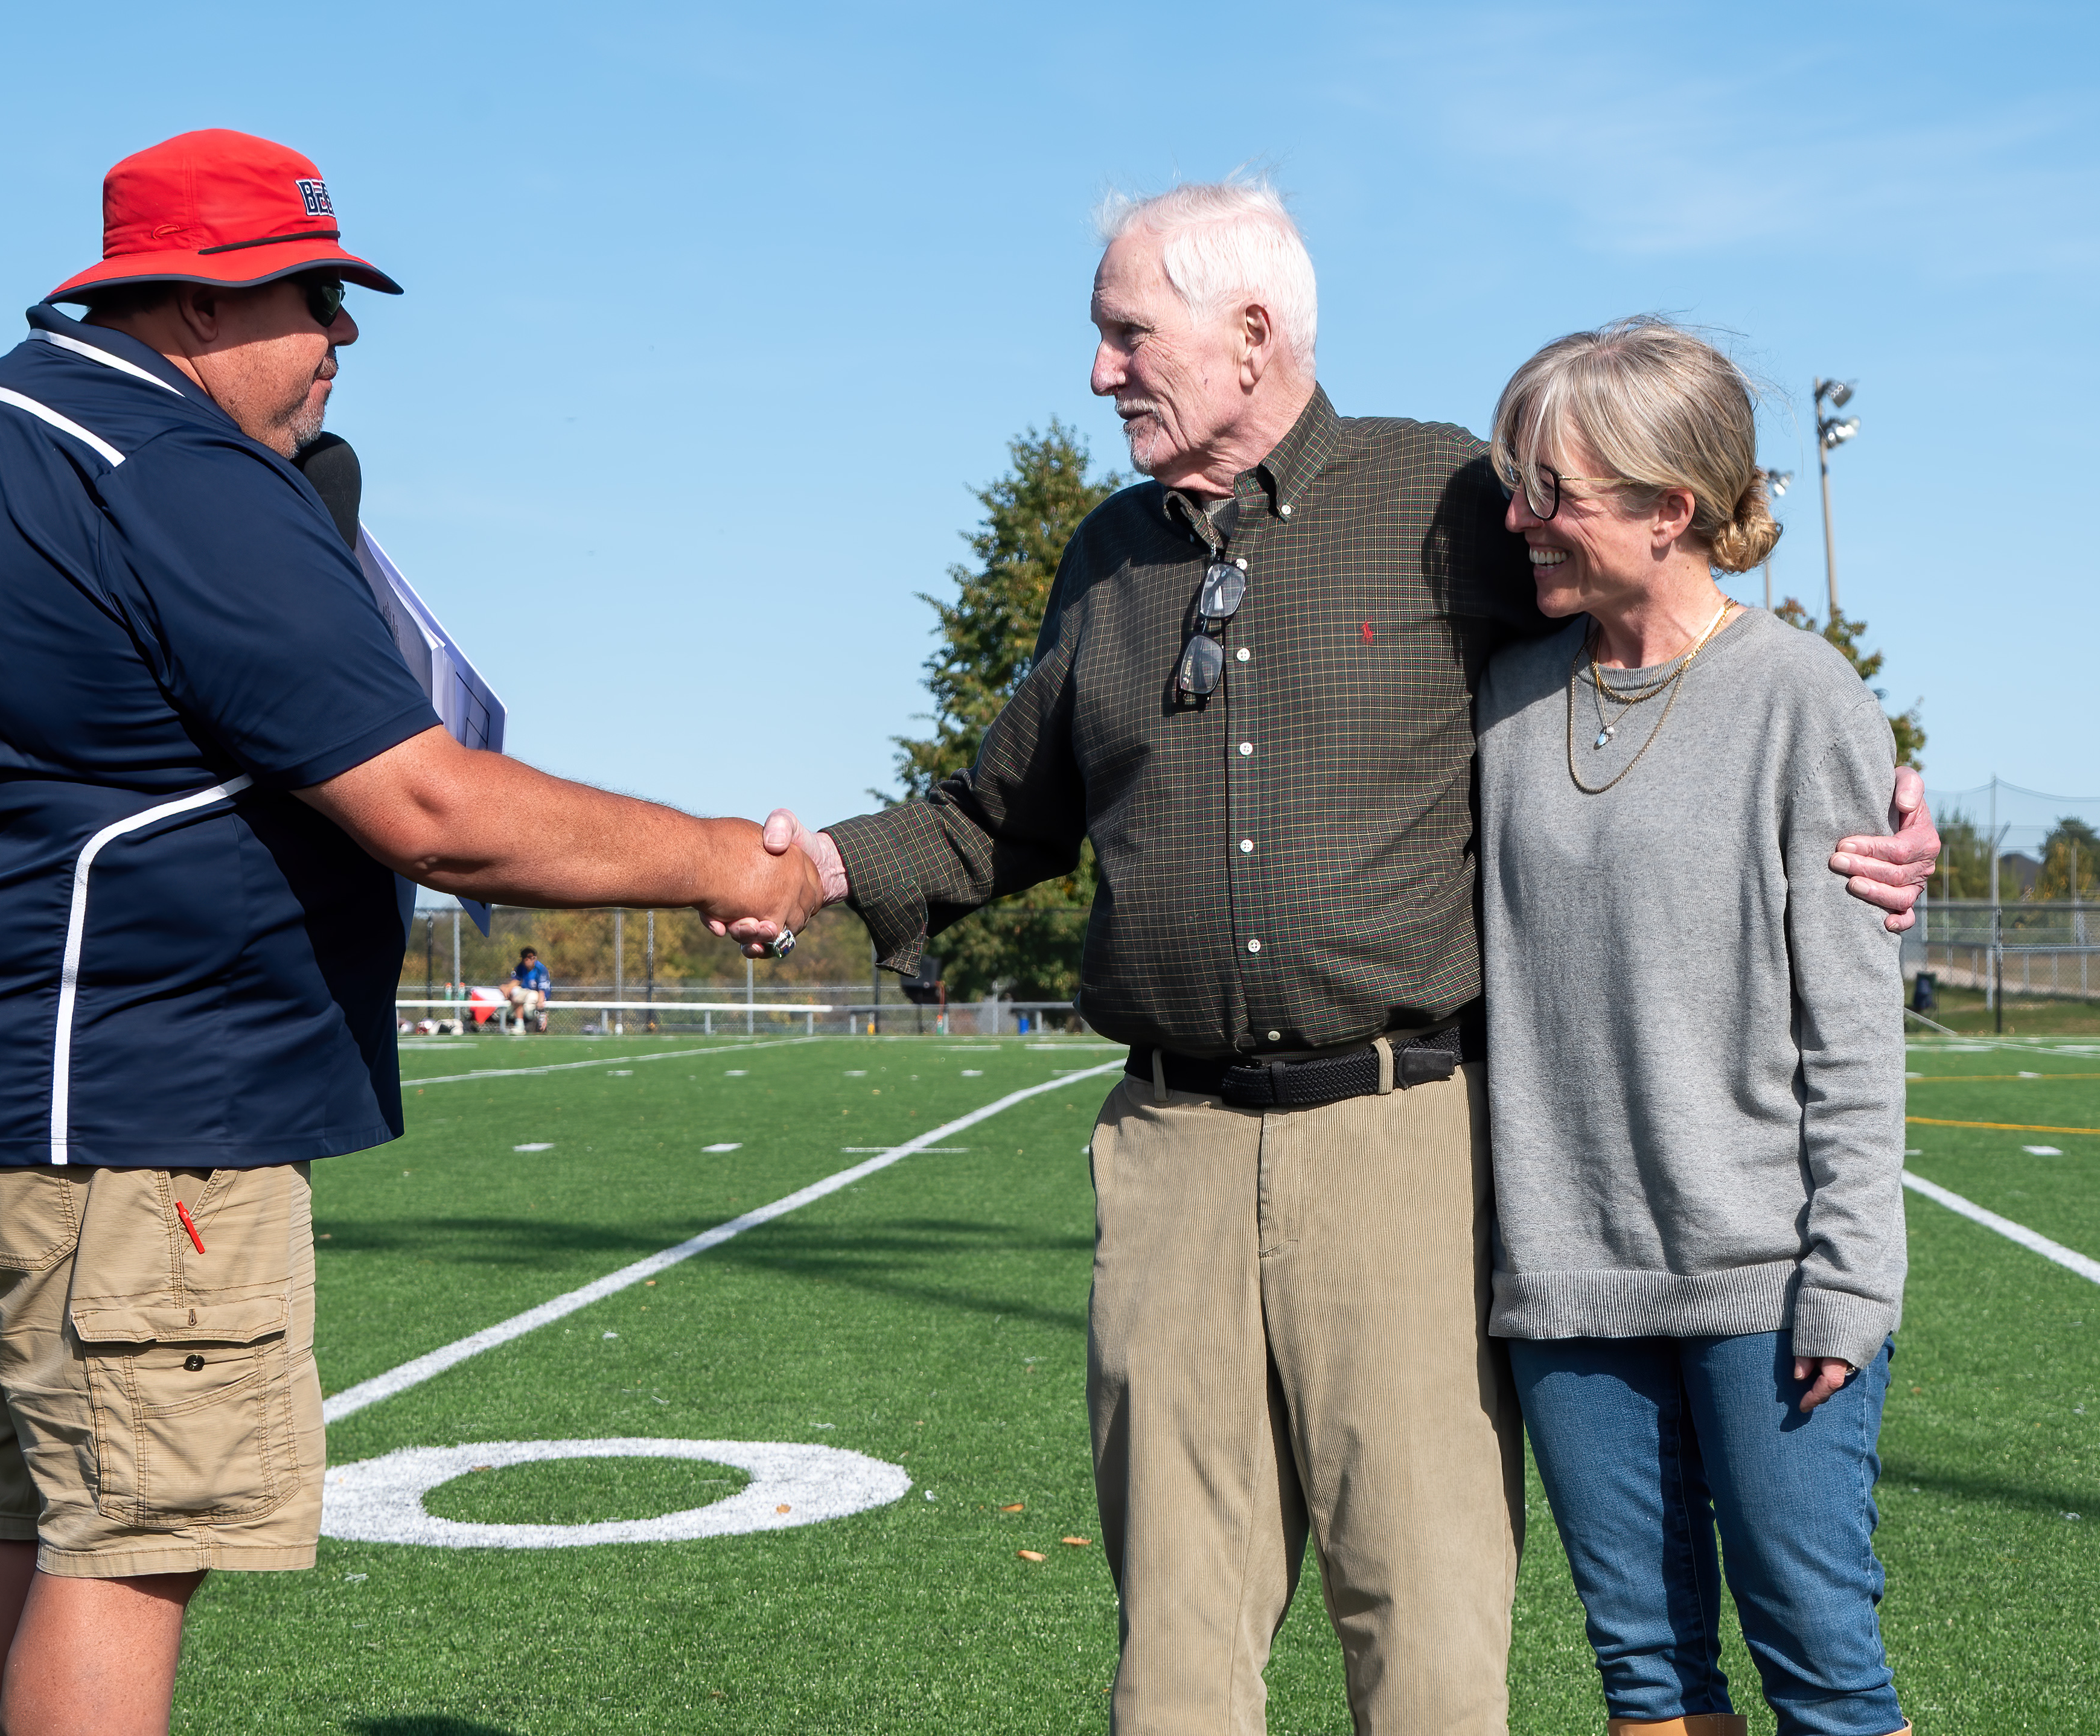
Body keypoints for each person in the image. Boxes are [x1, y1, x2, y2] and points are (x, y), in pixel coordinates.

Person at [741, 176, 1939, 1735]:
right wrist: (819, 866)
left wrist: (1884, 804)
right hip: (1220, 1159)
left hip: (1426, 1144)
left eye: (1128, 334)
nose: (1100, 371)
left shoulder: (1447, 500)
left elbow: (1676, 637)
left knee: (1455, 1628)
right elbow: (998, 812)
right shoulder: (1114, 563)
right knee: (1203, 1636)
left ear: (1251, 333)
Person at [0, 128, 815, 1736]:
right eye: (313, 295)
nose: (341, 333)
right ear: (201, 301)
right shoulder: (171, 466)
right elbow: (431, 806)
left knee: (28, 1512)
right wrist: (723, 854)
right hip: (144, 1093)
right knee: (133, 1541)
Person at [1478, 318, 1909, 1736]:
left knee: (1820, 1663)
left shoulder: (1800, 694)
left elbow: (1853, 1027)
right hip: (1565, 1281)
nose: (1516, 519)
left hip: (1764, 1283)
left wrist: (1851, 1273)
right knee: (1646, 1673)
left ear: (1669, 509)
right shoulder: (1503, 691)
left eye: (1550, 490)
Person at [503, 946, 551, 1033]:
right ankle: (519, 1026)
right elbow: (515, 981)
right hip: (526, 992)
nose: (528, 960)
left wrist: (541, 1004)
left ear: (534, 958)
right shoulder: (520, 967)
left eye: (531, 957)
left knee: (529, 1003)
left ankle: (538, 1017)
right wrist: (506, 988)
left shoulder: (541, 969)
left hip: (538, 995)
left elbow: (542, 990)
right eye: (526, 958)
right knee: (515, 992)